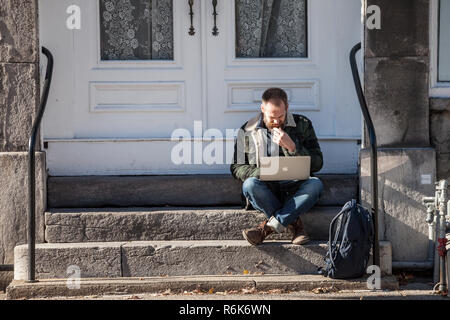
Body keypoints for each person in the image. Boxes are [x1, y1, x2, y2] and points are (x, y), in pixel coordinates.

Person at [230, 87, 324, 246]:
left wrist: (293, 148)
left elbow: (318, 162)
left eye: (280, 116)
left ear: (287, 108)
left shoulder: (303, 124)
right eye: (271, 116)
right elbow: (236, 167)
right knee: (249, 185)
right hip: (267, 187)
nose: (275, 121)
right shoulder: (246, 129)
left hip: (295, 187)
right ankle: (295, 225)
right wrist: (264, 172)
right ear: (262, 109)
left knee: (315, 185)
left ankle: (266, 229)